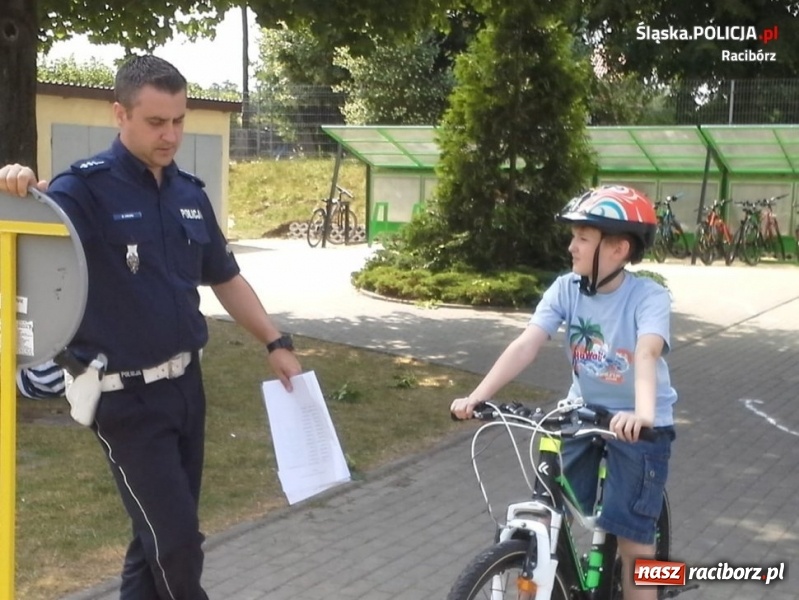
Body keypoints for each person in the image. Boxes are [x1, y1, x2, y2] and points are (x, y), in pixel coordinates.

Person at [0, 55, 302, 600]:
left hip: (187, 389)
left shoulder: (189, 192)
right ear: (121, 114)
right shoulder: (83, 190)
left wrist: (274, 341)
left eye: (179, 121)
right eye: (156, 122)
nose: (171, 135)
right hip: (124, 399)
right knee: (178, 543)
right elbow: (26, 237)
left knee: (155, 540)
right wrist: (14, 186)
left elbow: (225, 277)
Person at [451, 185, 677, 600]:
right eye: (573, 236)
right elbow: (527, 343)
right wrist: (477, 396)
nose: (571, 246)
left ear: (618, 249)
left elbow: (646, 353)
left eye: (582, 238)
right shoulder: (566, 288)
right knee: (557, 512)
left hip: (638, 425)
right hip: (582, 415)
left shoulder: (648, 296)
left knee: (633, 541)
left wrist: (642, 415)